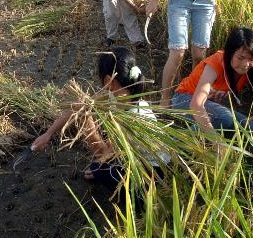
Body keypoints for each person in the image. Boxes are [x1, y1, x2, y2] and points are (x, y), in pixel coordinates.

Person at [32, 47, 168, 189]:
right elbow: (79, 105)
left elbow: (104, 154)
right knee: (99, 167)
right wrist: (48, 134)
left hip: (151, 173)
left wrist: (86, 119)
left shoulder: (134, 117)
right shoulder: (117, 93)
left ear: (109, 80)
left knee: (100, 169)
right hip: (133, 154)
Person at [171, 27, 253, 138]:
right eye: (241, 57)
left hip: (211, 105)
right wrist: (216, 141)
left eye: (251, 59)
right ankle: (173, 146)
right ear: (229, 53)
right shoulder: (215, 64)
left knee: (251, 129)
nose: (246, 64)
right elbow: (196, 105)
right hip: (184, 99)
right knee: (224, 119)